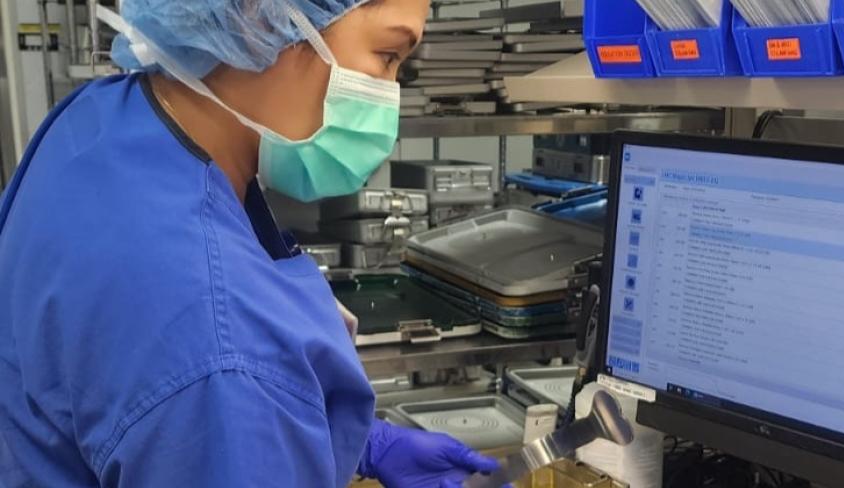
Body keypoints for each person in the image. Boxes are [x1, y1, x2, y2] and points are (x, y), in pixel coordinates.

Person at [0, 1, 506, 486]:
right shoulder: (218, 342)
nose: (389, 95)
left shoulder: (106, 119)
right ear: (255, 18)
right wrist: (252, 422)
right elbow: (207, 377)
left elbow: (120, 404)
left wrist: (347, 441)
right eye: (387, 56)